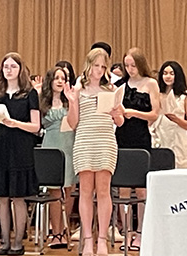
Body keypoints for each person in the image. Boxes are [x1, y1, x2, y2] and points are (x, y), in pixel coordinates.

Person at [0, 53, 40, 256]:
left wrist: (16, 123)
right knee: (2, 197)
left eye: (13, 66)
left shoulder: (29, 93)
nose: (9, 70)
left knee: (18, 197)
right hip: (1, 145)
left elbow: (36, 126)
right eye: (5, 67)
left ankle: (18, 242)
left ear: (20, 69)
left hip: (21, 145)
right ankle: (4, 241)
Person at [65, 47, 125, 256]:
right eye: (96, 65)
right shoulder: (78, 90)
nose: (99, 70)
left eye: (103, 66)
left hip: (105, 141)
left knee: (103, 191)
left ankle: (102, 239)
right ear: (89, 65)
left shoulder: (110, 89)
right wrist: (72, 102)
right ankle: (87, 239)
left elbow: (120, 121)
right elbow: (73, 123)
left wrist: (117, 112)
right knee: (85, 191)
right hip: (84, 140)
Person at [114, 48, 159, 250]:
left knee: (141, 189)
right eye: (127, 66)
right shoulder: (121, 86)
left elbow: (155, 114)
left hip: (141, 137)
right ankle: (127, 231)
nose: (130, 69)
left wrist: (133, 112)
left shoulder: (150, 83)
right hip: (122, 137)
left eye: (133, 65)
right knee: (123, 188)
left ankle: (141, 231)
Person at [40, 67, 76, 249]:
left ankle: (65, 228)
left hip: (69, 146)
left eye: (64, 78)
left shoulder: (70, 101)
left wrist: (72, 100)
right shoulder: (42, 102)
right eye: (57, 78)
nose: (60, 81)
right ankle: (56, 232)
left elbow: (75, 122)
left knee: (68, 190)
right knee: (54, 191)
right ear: (50, 81)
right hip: (50, 146)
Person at [151, 61, 187, 169]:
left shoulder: (185, 96)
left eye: (171, 73)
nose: (168, 76)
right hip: (160, 136)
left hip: (178, 137)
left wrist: (177, 120)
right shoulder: (157, 94)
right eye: (165, 73)